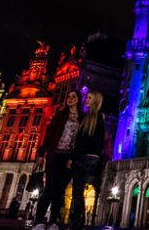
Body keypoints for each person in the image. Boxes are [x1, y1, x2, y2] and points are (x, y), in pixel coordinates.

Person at [33, 90, 82, 230]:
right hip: (55, 155)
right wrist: (41, 153)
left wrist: (73, 157)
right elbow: (49, 134)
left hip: (69, 158)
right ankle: (38, 221)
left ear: (78, 100)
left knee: (60, 191)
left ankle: (53, 221)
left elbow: (80, 140)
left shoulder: (82, 117)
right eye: (69, 96)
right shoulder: (60, 115)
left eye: (74, 96)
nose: (70, 99)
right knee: (49, 188)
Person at [71, 89, 107, 230]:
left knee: (77, 191)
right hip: (91, 158)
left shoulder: (94, 118)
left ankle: (77, 222)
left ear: (96, 101)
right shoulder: (90, 118)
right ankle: (79, 222)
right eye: (86, 97)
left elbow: (82, 141)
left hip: (85, 158)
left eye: (89, 98)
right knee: (78, 192)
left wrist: (74, 156)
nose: (86, 100)